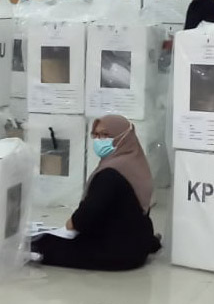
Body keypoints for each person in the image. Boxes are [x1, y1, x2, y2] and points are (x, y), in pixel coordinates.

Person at [31, 115, 161, 271]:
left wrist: (69, 225)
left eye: (106, 135)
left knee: (43, 243)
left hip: (119, 252)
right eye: (97, 135)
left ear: (123, 137)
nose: (99, 140)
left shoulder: (110, 173)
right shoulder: (135, 163)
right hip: (140, 243)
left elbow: (84, 218)